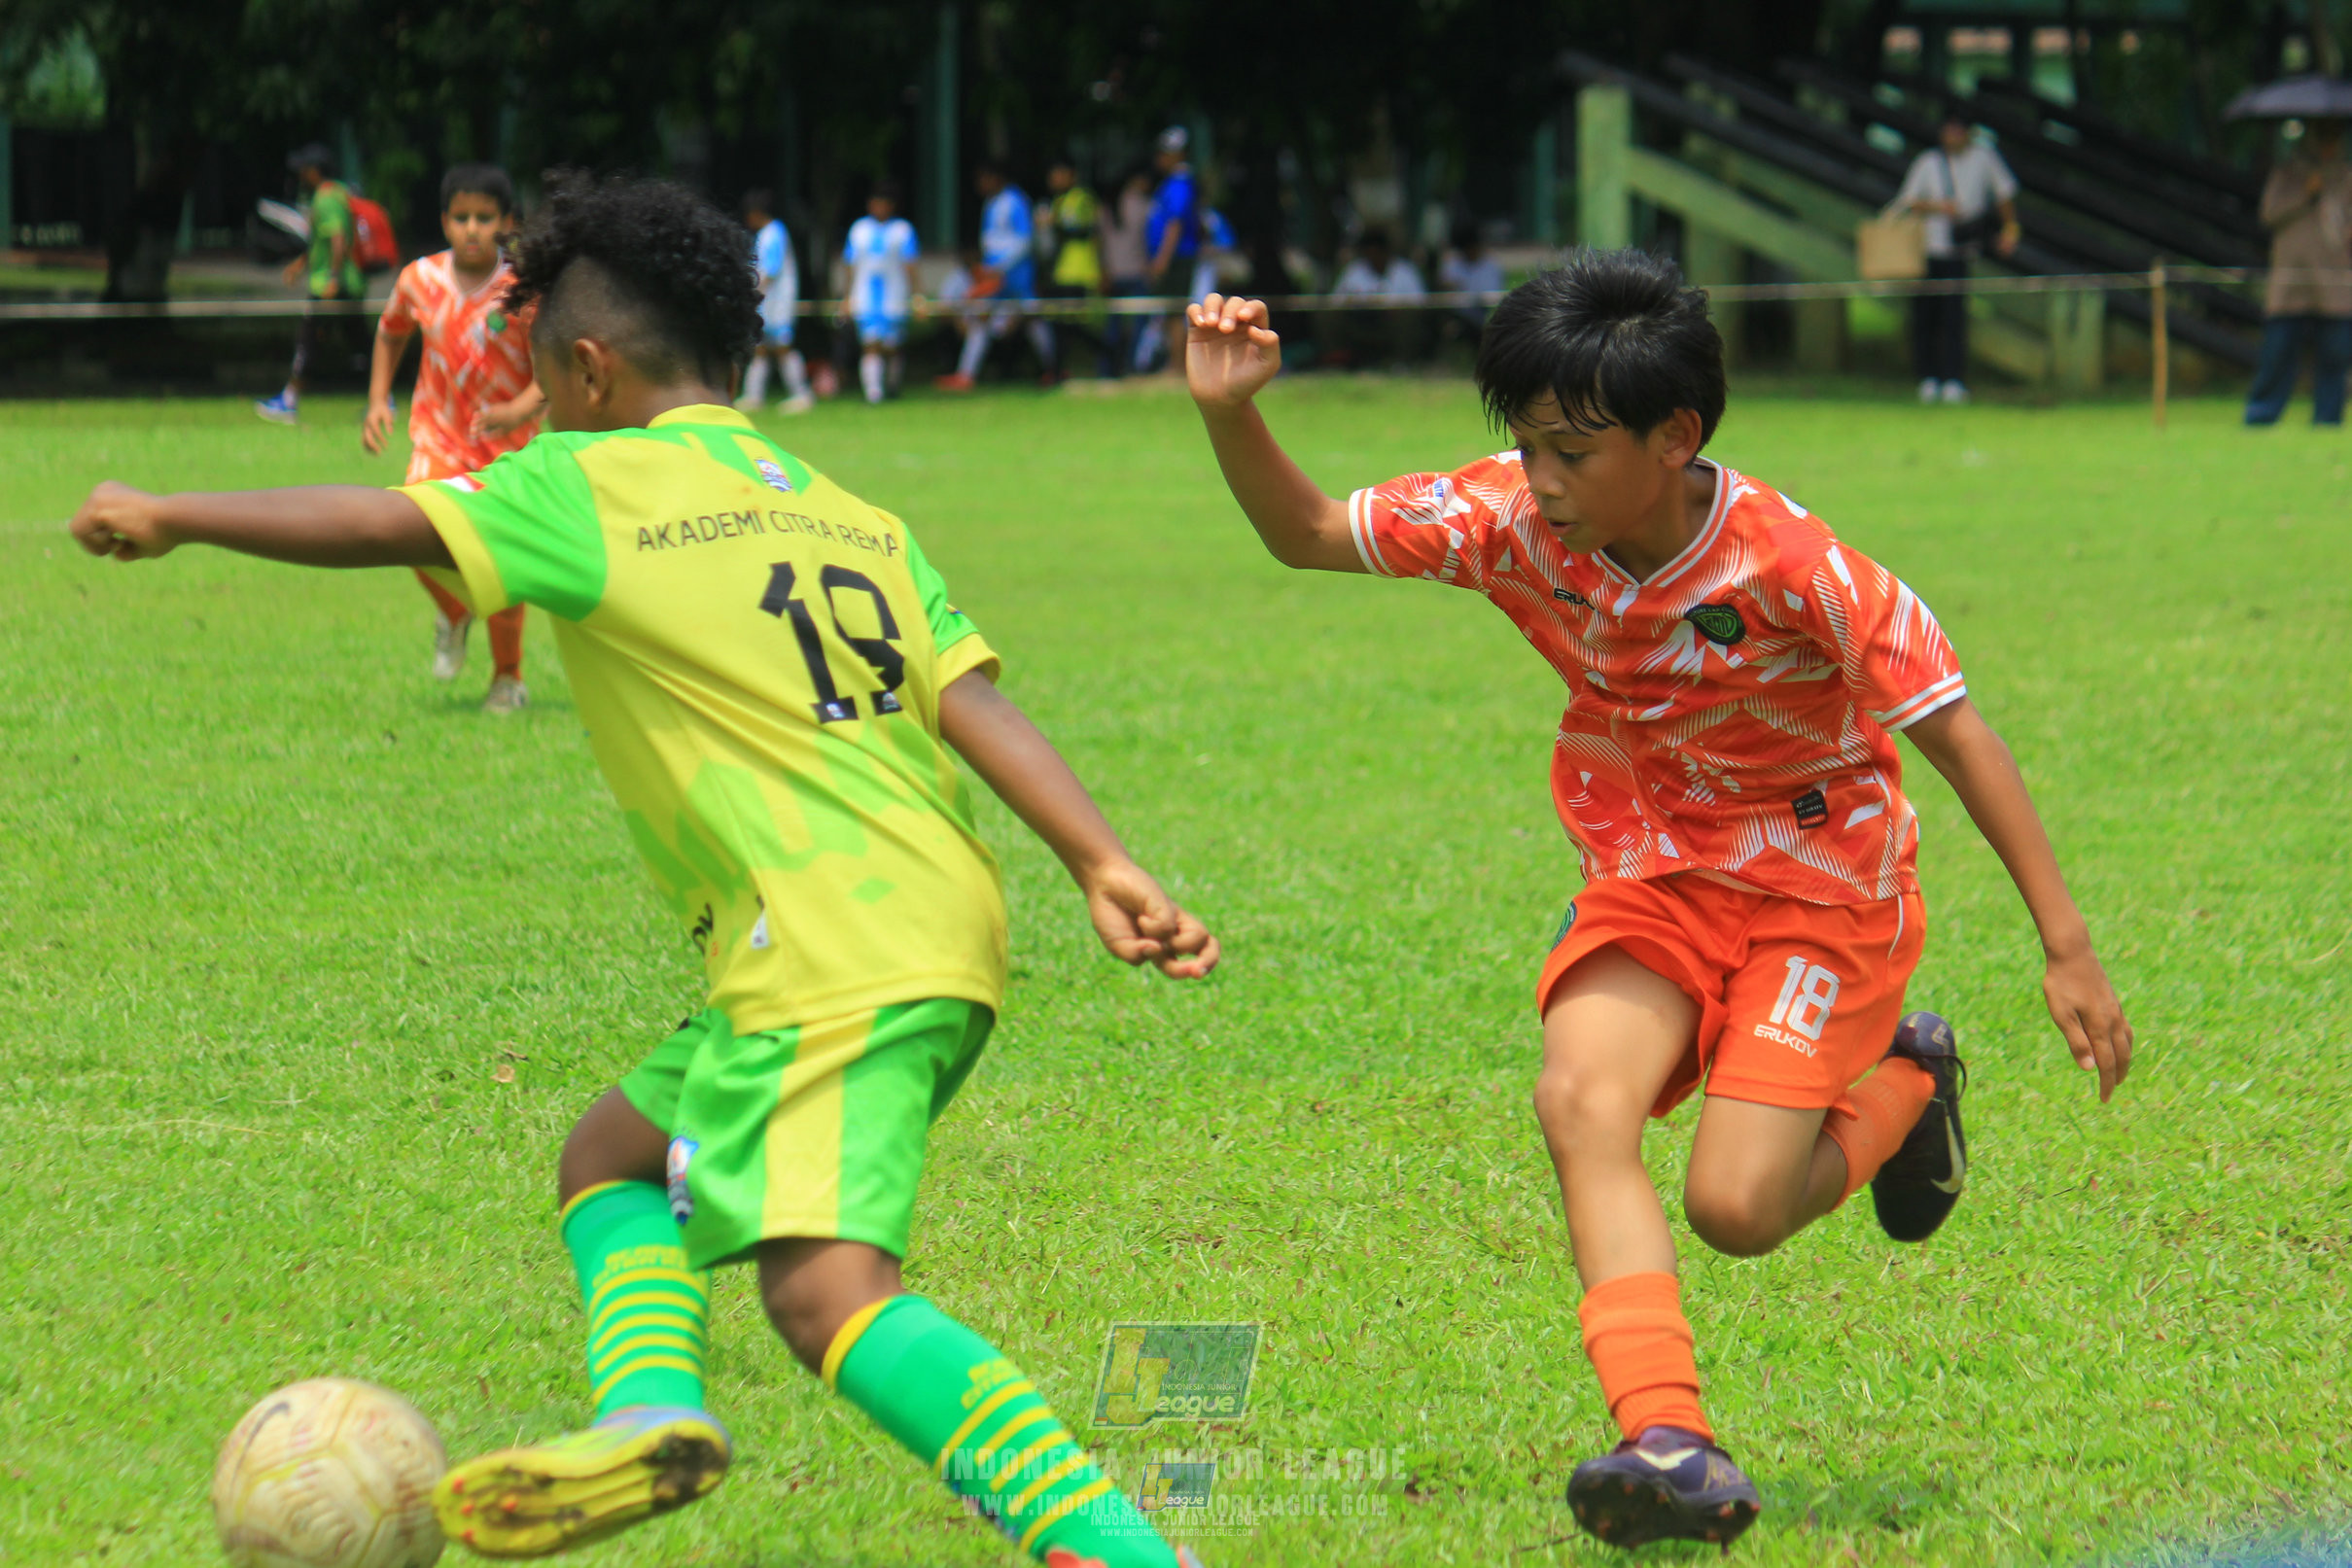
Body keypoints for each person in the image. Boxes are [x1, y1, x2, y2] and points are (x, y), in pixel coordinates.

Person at [71, 173, 1216, 1568]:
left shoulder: (585, 481)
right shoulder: (852, 514)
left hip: (825, 936)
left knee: (827, 1293)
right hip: (908, 918)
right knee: (608, 1153)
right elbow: (969, 699)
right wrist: (1100, 859)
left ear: (589, 370)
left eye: (544, 380)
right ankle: (650, 1417)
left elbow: (390, 520)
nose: (538, 409)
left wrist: (180, 510)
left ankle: (1117, 1546)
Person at [1178, 252, 2132, 1551]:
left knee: (1736, 1209)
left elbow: (1957, 734)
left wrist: (2064, 948)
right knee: (1577, 1096)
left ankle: (1907, 1075)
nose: (1540, 482)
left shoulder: (1795, 567)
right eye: (1524, 448)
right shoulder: (1509, 521)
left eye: (1570, 450)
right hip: (1651, 873)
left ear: (1673, 436)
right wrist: (1230, 410)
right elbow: (1304, 534)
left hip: (1819, 895)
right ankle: (1667, 1436)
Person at [359, 162, 543, 714]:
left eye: (484, 218)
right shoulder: (420, 280)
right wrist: (377, 399)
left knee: (506, 568)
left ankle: (508, 678)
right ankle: (457, 611)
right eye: (460, 217)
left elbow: (553, 373)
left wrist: (518, 408)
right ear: (444, 221)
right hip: (438, 439)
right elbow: (390, 333)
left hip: (509, 453)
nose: (471, 229)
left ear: (507, 223)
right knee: (408, 528)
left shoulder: (524, 290)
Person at [1893, 115, 2020, 404]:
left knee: (1955, 317)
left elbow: (2005, 193)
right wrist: (1940, 207)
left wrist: (2010, 229)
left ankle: (1953, 379)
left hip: (1961, 250)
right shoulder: (1928, 162)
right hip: (1927, 250)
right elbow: (1909, 200)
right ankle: (1927, 378)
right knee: (1925, 316)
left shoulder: (1984, 158)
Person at [2245, 119, 2352, 426]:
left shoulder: (2346, 176)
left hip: (2334, 281)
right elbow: (2269, 214)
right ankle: (2261, 415)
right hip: (2290, 280)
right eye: (2325, 137)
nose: (2330, 144)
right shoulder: (2287, 173)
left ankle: (2328, 418)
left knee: (2335, 354)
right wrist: (2306, 193)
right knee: (2277, 352)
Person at [256, 143, 369, 424]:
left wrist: (331, 278)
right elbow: (325, 241)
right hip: (344, 282)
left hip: (330, 285)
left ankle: (289, 399)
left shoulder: (327, 197)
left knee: (310, 341)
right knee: (359, 342)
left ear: (315, 171)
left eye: (305, 169)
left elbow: (337, 238)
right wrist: (301, 263)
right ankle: (384, 399)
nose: (301, 174)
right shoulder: (339, 193)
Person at [938, 161, 1055, 391]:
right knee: (982, 317)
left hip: (1015, 275)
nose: (981, 184)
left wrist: (1000, 266)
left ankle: (1054, 368)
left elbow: (1024, 241)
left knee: (1033, 319)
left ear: (997, 178)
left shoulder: (1015, 201)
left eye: (984, 178)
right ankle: (966, 374)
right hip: (995, 276)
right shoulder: (991, 203)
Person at [840, 180, 919, 405]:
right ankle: (873, 393)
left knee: (892, 347)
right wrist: (846, 296)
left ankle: (892, 386)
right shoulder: (859, 230)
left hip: (894, 296)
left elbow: (911, 265)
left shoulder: (902, 230)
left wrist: (917, 295)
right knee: (870, 344)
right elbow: (850, 265)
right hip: (865, 296)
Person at [738, 189, 815, 415]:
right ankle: (754, 396)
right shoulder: (766, 234)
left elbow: (770, 271)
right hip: (767, 303)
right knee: (761, 348)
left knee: (782, 347)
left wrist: (754, 294)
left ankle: (801, 394)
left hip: (777, 302)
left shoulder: (774, 234)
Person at [1137, 127, 1205, 373]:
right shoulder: (1172, 183)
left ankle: (1178, 366)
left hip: (1177, 258)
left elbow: (1174, 225)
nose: (1160, 158)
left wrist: (1162, 259)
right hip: (1173, 258)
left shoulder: (1180, 183)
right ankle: (1175, 364)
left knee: (1175, 312)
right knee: (1169, 312)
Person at [1331, 227, 1428, 367]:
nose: (1374, 258)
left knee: (1407, 318)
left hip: (1393, 322)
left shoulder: (1405, 271)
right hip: (1360, 319)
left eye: (1377, 253)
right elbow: (1336, 300)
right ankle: (1337, 360)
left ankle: (1401, 362)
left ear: (1386, 252)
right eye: (1369, 254)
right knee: (1330, 317)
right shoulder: (1354, 271)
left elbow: (1421, 302)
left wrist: (1394, 307)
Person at [1043, 160, 1105, 376]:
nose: (1055, 179)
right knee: (1059, 324)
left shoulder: (1081, 199)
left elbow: (1084, 230)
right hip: (1062, 271)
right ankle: (1058, 370)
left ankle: (1107, 350)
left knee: (1071, 325)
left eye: (1059, 173)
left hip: (1079, 270)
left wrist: (1053, 224)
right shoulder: (1059, 201)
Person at [1098, 166, 1156, 377]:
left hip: (1114, 273)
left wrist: (1104, 271)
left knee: (1113, 326)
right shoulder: (1142, 205)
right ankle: (1133, 367)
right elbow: (1149, 239)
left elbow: (1101, 244)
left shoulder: (1106, 207)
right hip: (1136, 271)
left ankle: (1106, 370)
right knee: (1139, 324)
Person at [1437, 224, 1506, 347]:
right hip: (1457, 313)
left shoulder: (1490, 265)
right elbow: (1445, 290)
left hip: (1482, 312)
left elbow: (1492, 294)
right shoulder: (1452, 264)